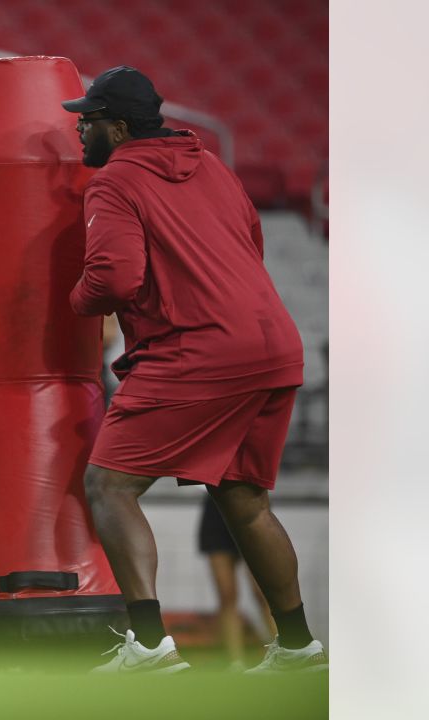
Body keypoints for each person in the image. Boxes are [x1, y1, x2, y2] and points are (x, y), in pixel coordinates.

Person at [60, 66, 327, 674]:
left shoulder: (114, 182)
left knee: (108, 485)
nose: (80, 130)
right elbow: (249, 247)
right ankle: (297, 648)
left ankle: (150, 646)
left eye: (89, 120)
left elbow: (113, 279)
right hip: (273, 343)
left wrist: (68, 301)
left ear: (119, 126)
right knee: (244, 500)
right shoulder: (213, 165)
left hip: (197, 349)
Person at [198, 494, 276, 671]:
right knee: (227, 595)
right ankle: (235, 662)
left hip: (253, 503)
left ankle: (285, 653)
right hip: (216, 510)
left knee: (264, 594)